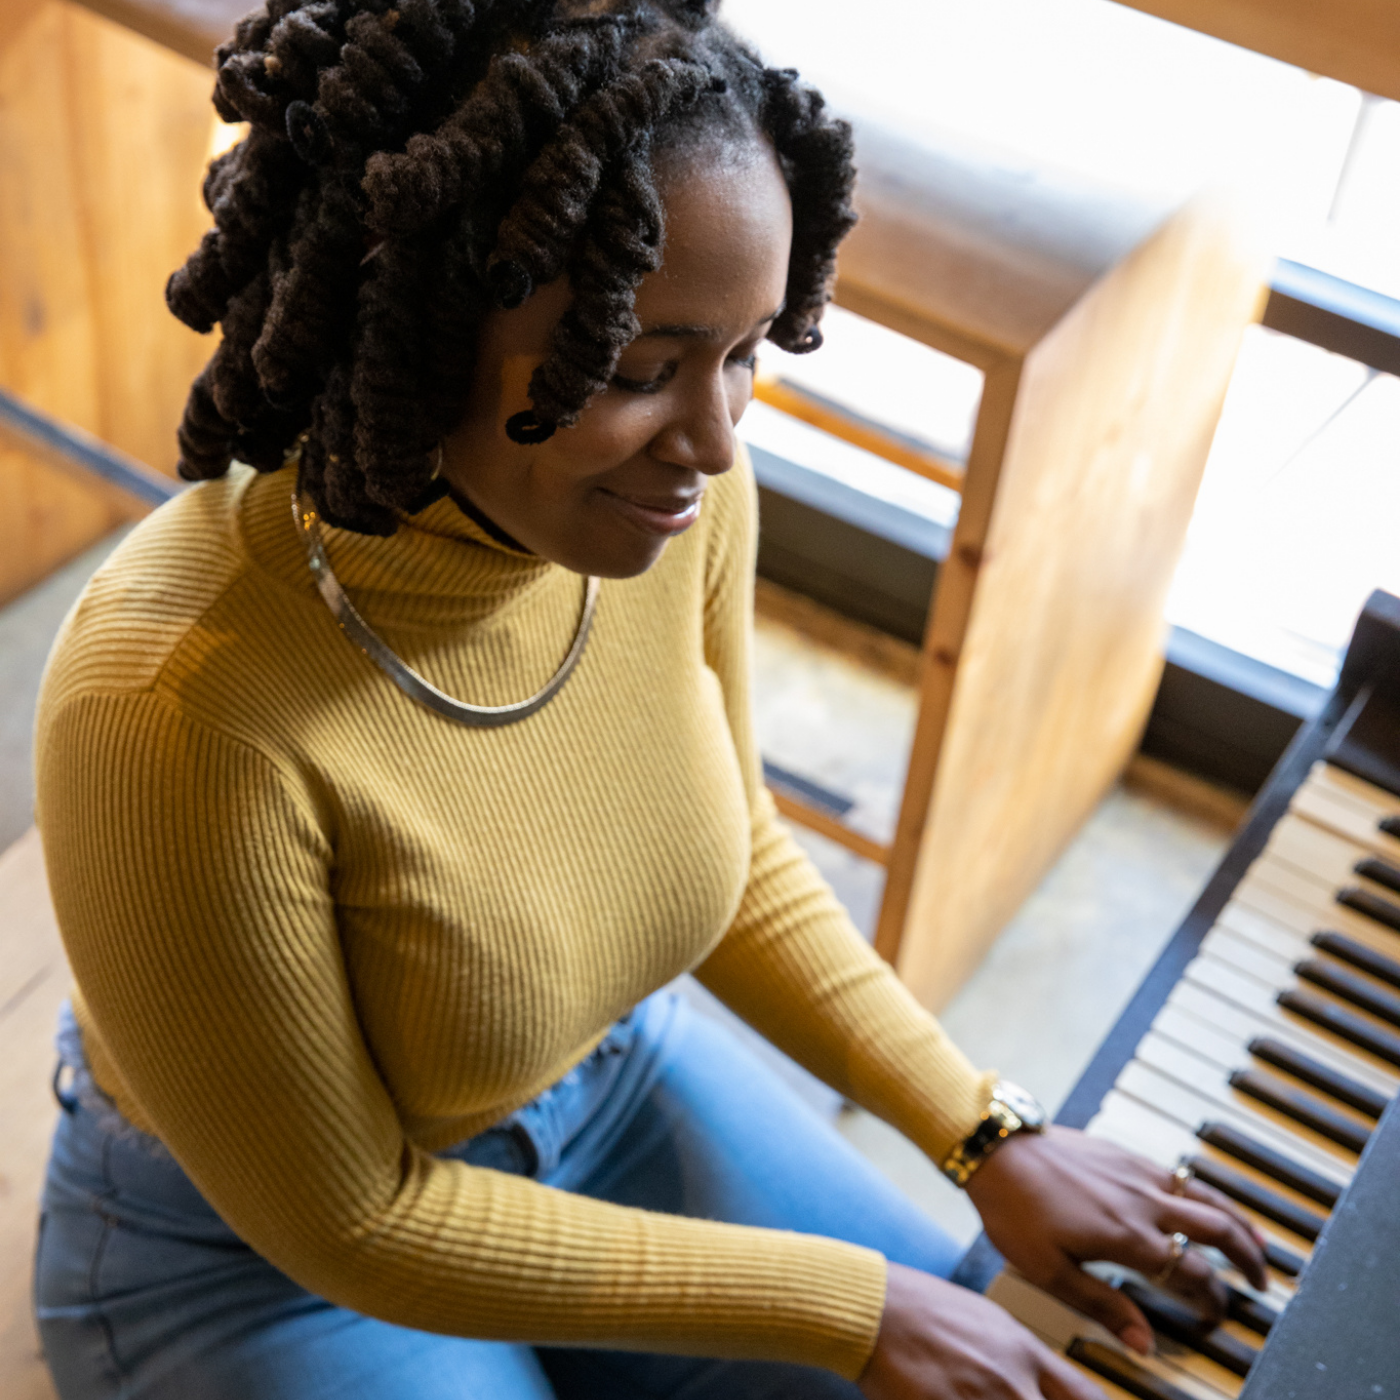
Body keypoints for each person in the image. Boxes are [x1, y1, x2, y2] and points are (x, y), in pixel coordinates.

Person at [31, 2, 1268, 1397]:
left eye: (746, 353)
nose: (715, 443)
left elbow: (732, 848)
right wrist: (848, 1307)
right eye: (636, 370)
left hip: (591, 1073)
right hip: (252, 1262)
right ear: (430, 317)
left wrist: (987, 1135)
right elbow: (354, 1218)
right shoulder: (172, 705)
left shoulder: (660, 508)